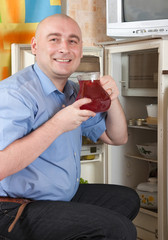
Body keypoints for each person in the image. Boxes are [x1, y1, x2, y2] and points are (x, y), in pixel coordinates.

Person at [0, 14, 140, 240]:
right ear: (35, 46)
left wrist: (112, 99)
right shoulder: (14, 94)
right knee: (118, 229)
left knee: (127, 198)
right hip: (13, 208)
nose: (64, 48)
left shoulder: (75, 91)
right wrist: (57, 125)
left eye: (73, 41)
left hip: (60, 197)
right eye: (54, 39)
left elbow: (117, 138)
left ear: (81, 50)